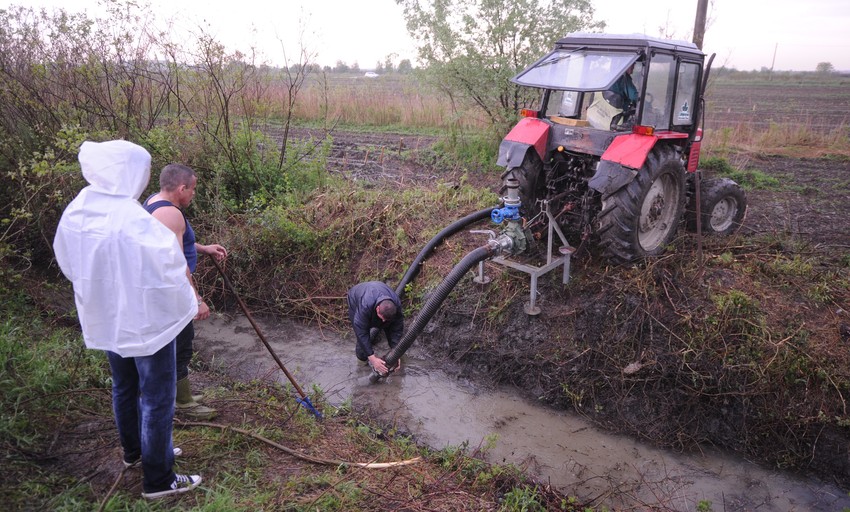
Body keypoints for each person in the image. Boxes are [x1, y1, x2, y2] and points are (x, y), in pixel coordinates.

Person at [53, 140, 202, 499]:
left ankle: (137, 453)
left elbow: (68, 262)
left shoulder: (81, 209)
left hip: (107, 317)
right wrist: (188, 303)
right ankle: (159, 479)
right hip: (147, 323)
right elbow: (168, 267)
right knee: (157, 396)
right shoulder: (131, 217)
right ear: (129, 171)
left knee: (123, 387)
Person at [143, 164, 227, 420]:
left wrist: (203, 248)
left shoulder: (153, 201)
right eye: (192, 189)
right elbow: (177, 264)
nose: (193, 194)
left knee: (179, 343)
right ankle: (183, 402)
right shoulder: (172, 215)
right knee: (181, 345)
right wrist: (196, 299)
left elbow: (174, 240)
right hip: (171, 292)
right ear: (181, 188)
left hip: (159, 289)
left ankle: (180, 393)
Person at [347, 281, 404, 375]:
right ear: (377, 309)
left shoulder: (396, 305)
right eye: (381, 318)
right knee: (362, 352)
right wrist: (372, 358)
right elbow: (361, 332)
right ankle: (363, 366)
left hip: (378, 293)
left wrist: (396, 351)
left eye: (386, 320)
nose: (383, 322)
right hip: (355, 298)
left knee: (389, 326)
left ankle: (377, 336)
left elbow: (397, 327)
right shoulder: (364, 306)